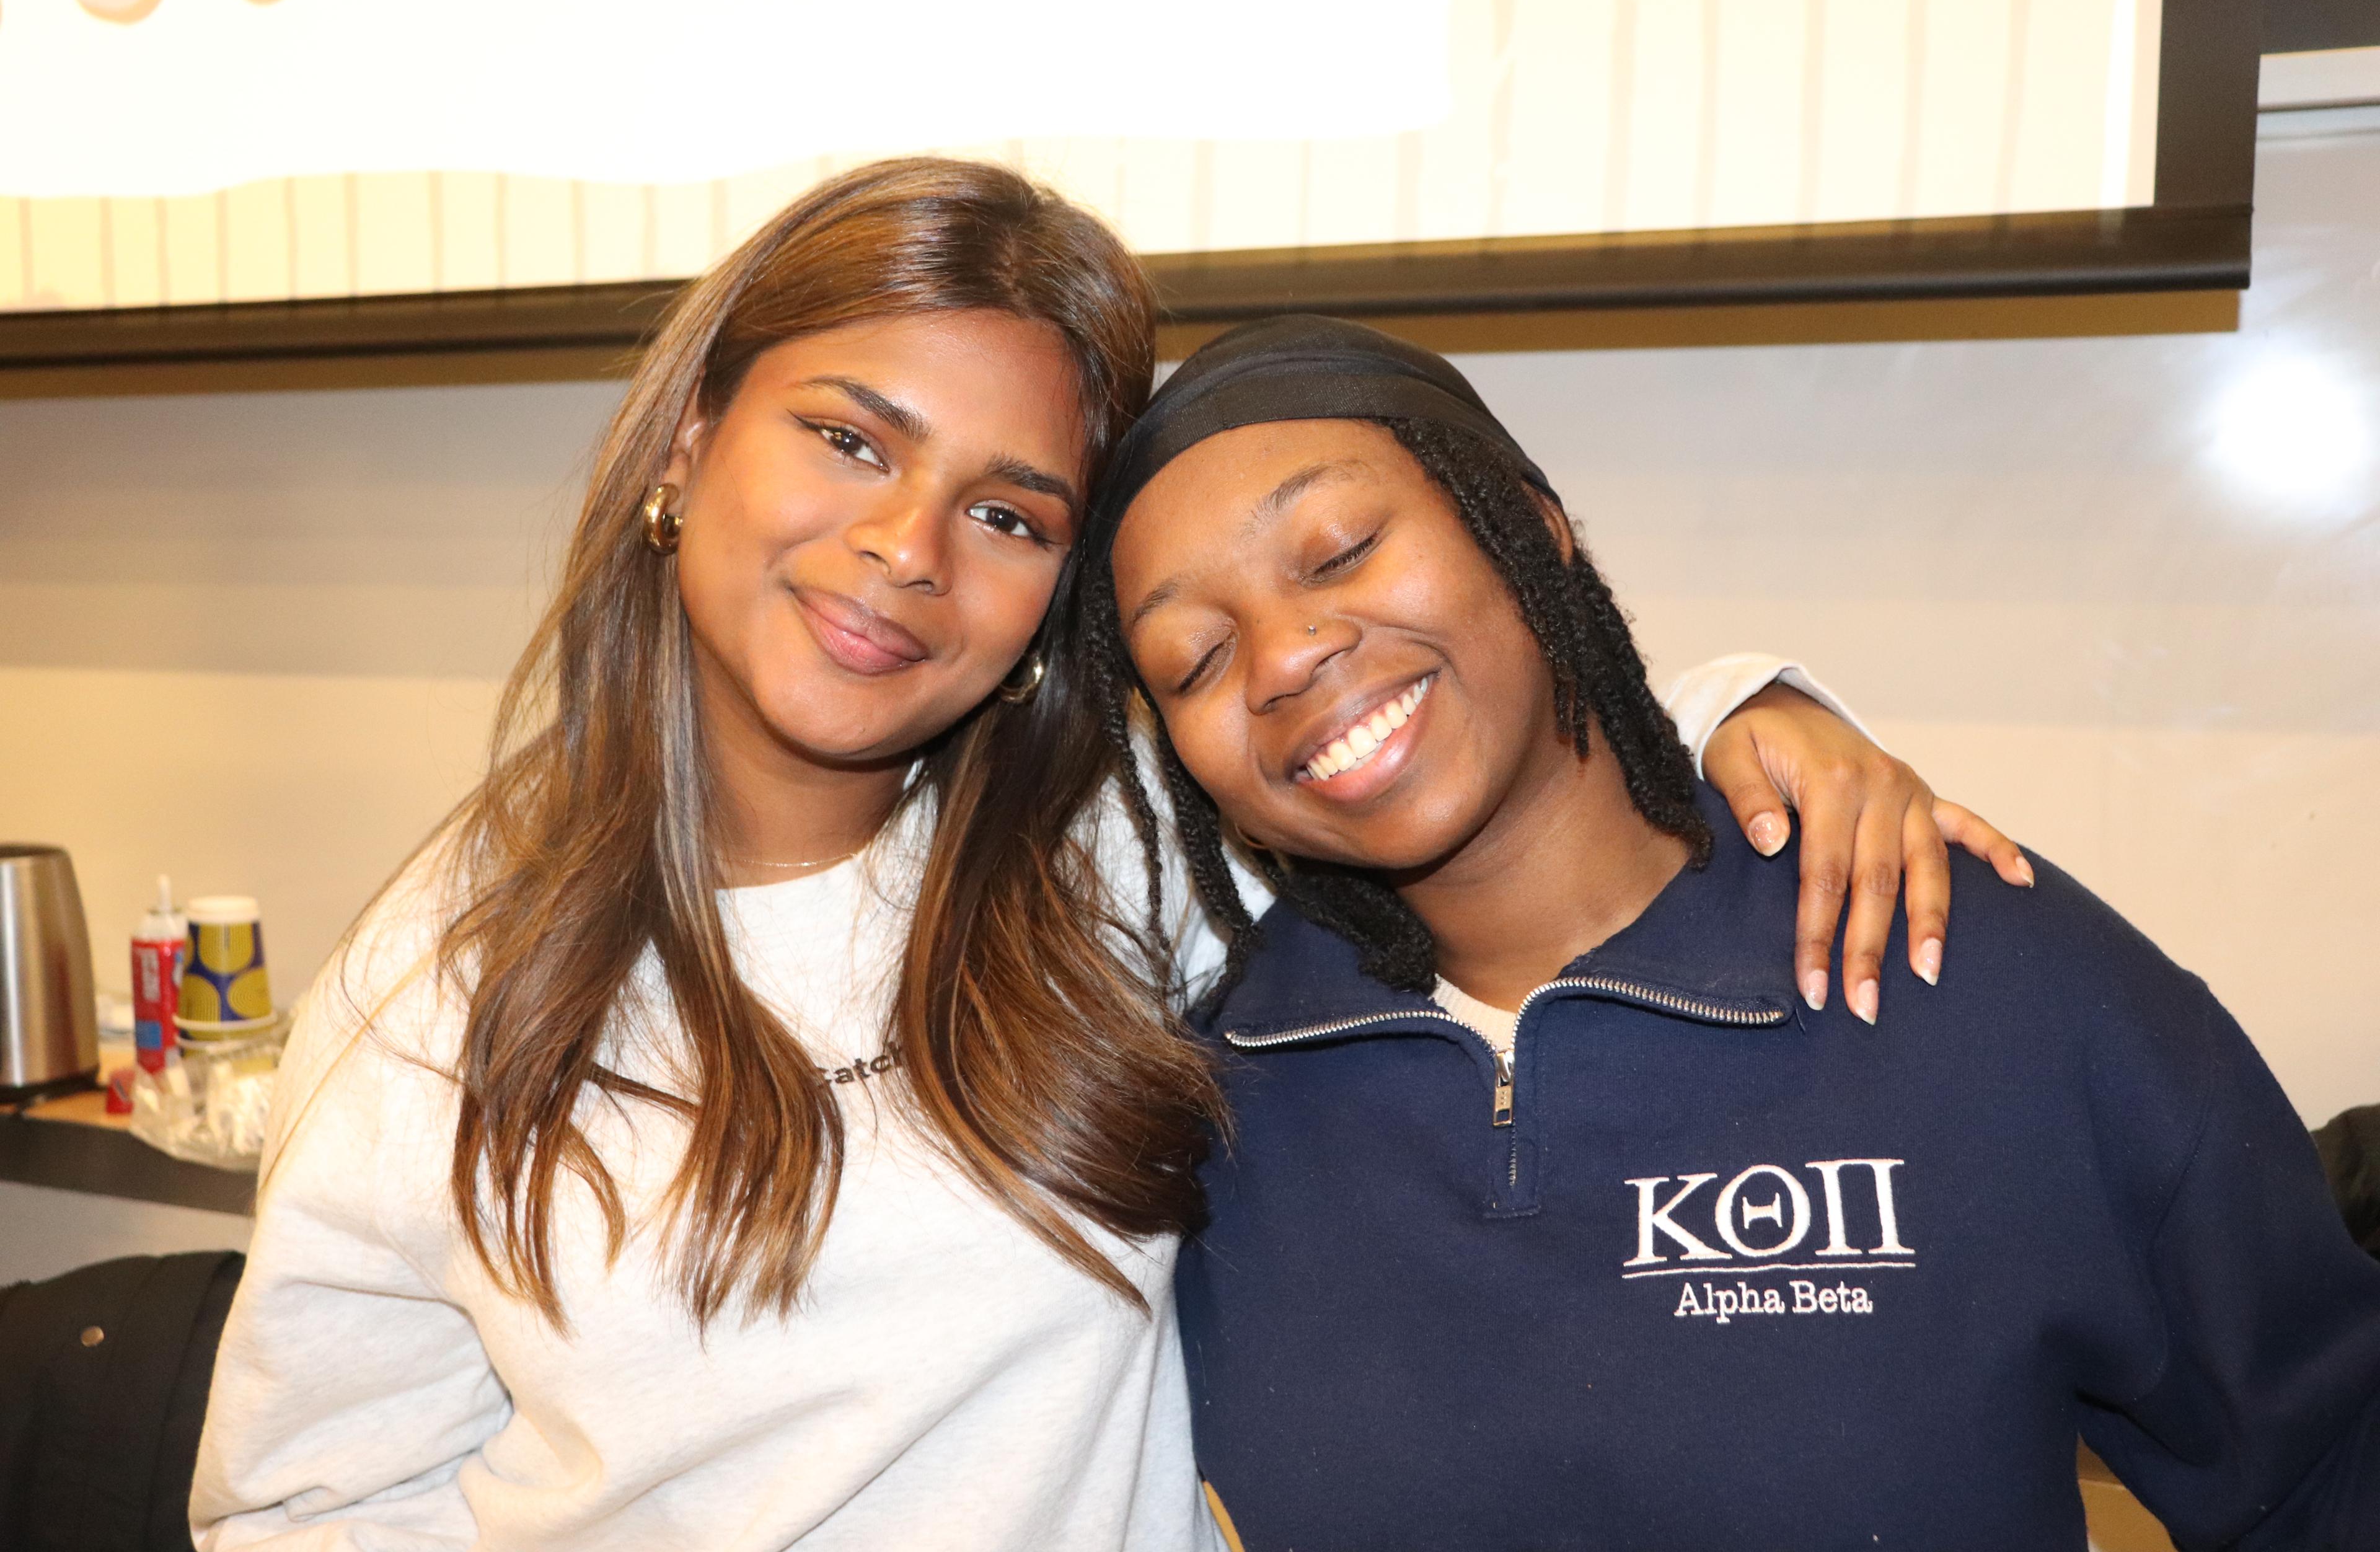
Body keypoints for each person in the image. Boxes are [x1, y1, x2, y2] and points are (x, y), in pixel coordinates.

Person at [190, 163, 2016, 1551]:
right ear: (687, 445)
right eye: (849, 439)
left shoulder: (1112, 858)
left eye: (1006, 513)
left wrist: (1751, 712)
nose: (911, 548)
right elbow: (306, 1505)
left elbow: (1434, 748)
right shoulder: (441, 986)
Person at [1081, 315, 2380, 1551]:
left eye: (1341, 549)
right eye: (1195, 659)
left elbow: (2326, 1465)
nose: (1284, 657)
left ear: (1529, 524)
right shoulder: (1200, 1125)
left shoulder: (1963, 967)